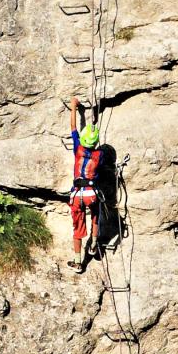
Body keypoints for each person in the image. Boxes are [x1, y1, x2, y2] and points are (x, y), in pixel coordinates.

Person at [67, 96, 103, 273]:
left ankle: (78, 262)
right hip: (91, 193)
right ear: (95, 143)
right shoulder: (99, 155)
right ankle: (94, 245)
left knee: (77, 228)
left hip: (77, 194)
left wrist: (74, 107)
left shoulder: (78, 148)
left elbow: (73, 127)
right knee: (96, 214)